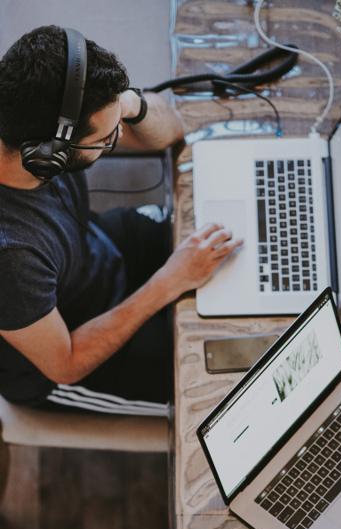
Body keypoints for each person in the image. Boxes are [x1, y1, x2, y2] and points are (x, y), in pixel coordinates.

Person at [0, 26, 241, 414]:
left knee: (231, 246)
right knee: (223, 378)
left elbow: (170, 130)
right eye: (107, 139)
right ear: (50, 154)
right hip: (66, 353)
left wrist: (127, 105)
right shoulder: (11, 257)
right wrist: (168, 282)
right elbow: (67, 363)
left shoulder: (35, 117)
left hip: (93, 254)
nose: (117, 138)